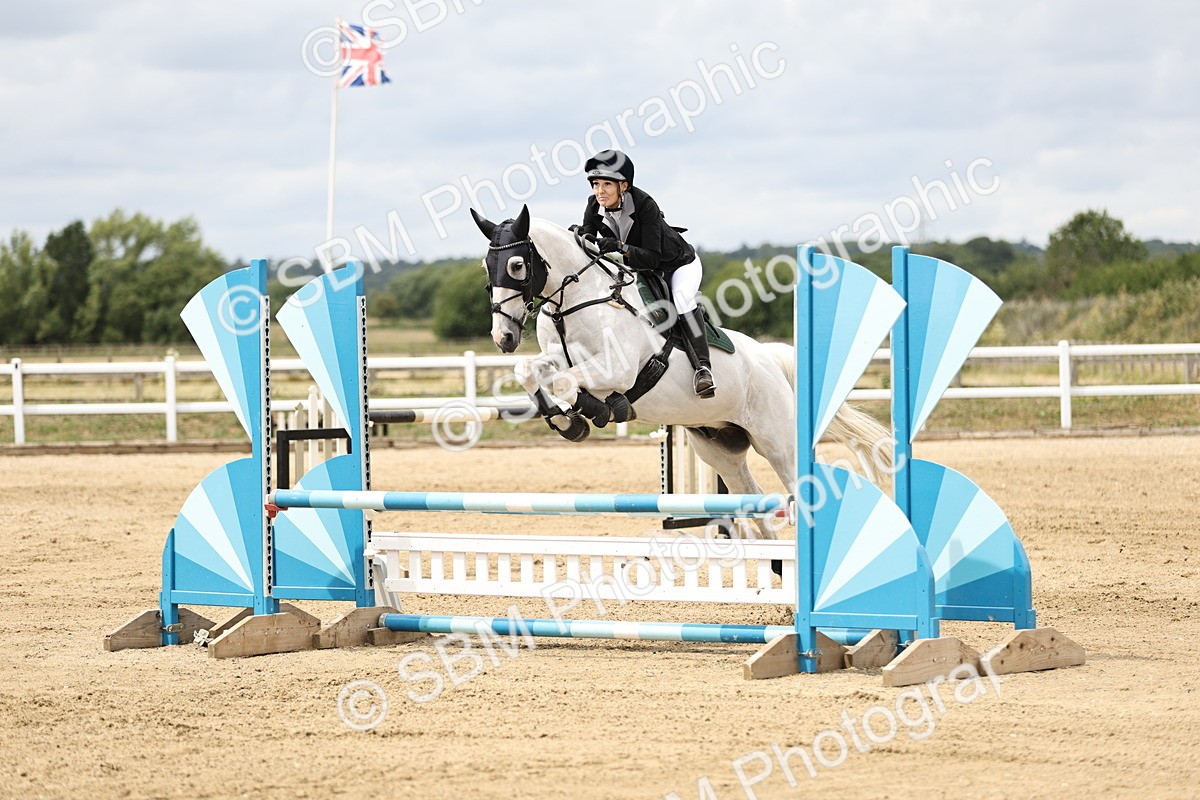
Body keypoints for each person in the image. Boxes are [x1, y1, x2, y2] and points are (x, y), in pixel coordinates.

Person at [573, 149, 715, 398]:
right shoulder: (593, 205)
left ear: (624, 186)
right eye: (596, 184)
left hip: (677, 265)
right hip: (642, 270)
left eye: (607, 184)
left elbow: (653, 257)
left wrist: (619, 247)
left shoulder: (645, 204)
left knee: (681, 299)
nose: (600, 191)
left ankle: (703, 369)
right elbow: (589, 242)